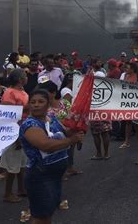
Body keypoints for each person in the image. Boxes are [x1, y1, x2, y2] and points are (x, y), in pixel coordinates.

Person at [20, 88, 84, 224]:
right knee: (41, 216)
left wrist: (77, 128)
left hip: (54, 175)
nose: (36, 104)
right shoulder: (30, 124)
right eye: (33, 102)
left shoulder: (52, 118)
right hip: (40, 177)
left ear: (48, 104)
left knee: (47, 212)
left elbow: (66, 132)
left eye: (40, 101)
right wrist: (71, 140)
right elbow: (46, 145)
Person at [0, 69, 29, 203]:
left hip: (23, 131)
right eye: (25, 75)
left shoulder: (23, 92)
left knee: (22, 163)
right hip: (13, 133)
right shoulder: (9, 93)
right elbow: (8, 117)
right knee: (12, 166)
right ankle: (7, 193)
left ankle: (21, 189)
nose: (27, 77)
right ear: (19, 79)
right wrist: (15, 136)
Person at [90, 58, 111, 160]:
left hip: (94, 108)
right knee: (105, 132)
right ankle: (106, 153)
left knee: (96, 133)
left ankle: (99, 153)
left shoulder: (92, 78)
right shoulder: (104, 77)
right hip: (105, 107)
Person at [119, 62, 138, 149]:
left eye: (127, 68)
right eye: (125, 68)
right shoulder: (126, 76)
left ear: (132, 69)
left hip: (136, 102)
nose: (126, 69)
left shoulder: (137, 76)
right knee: (128, 122)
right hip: (128, 102)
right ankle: (127, 141)